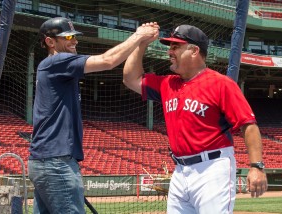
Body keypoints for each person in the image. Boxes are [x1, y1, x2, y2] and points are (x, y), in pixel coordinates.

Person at [123, 24, 268, 214]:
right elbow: (130, 78)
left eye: (176, 46)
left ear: (194, 50)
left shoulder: (221, 84)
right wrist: (141, 43)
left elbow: (249, 126)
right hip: (181, 170)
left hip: (212, 169)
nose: (170, 51)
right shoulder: (168, 84)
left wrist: (256, 166)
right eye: (170, 47)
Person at [28, 17, 159, 213]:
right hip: (56, 161)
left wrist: (140, 43)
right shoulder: (57, 61)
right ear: (50, 42)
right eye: (69, 37)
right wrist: (138, 35)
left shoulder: (54, 67)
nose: (75, 41)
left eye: (75, 37)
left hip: (46, 161)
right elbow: (108, 61)